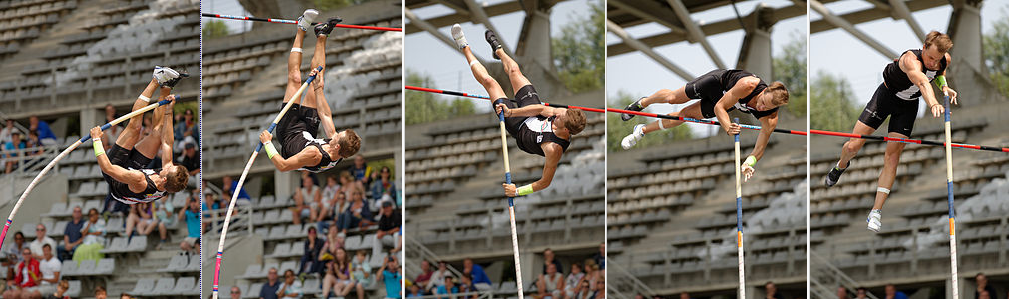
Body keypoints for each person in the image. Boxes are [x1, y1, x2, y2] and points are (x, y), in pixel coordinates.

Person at [823, 31, 957, 232]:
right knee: (853, 145)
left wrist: (944, 86)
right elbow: (921, 82)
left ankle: (876, 211)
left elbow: (938, 73)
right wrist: (934, 103)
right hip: (885, 99)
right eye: (929, 57)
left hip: (907, 107)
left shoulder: (942, 60)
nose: (932, 63)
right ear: (923, 47)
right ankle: (840, 167)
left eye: (936, 59)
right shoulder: (910, 60)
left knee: (893, 157)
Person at [450, 24, 587, 198]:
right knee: (514, 70)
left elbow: (545, 182)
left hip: (520, 128)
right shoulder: (563, 113)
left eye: (560, 117)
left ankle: (463, 45)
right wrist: (512, 111)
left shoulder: (554, 150)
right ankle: (498, 51)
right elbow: (540, 109)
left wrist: (517, 191)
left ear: (566, 130)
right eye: (561, 112)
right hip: (531, 114)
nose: (558, 113)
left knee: (489, 82)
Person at [618, 69, 789, 183]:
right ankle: (643, 102)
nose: (761, 108)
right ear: (764, 91)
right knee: (673, 99)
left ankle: (641, 130)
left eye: (767, 108)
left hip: (727, 101)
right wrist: (728, 126)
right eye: (762, 102)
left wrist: (748, 163)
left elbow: (759, 149)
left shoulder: (770, 118)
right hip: (716, 83)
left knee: (685, 116)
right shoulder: (748, 85)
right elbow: (719, 107)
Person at [258, 10, 361, 173]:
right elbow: (326, 115)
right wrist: (318, 87)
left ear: (336, 146)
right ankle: (322, 34)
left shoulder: (314, 154)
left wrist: (267, 143)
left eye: (337, 136)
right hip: (307, 133)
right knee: (318, 79)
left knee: (295, 79)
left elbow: (283, 166)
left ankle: (301, 28)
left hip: (289, 132)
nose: (334, 134)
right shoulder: (341, 149)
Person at [92, 67, 189, 205]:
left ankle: (156, 79)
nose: (168, 165)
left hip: (115, 175)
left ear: (165, 179)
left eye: (169, 168)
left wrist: (96, 139)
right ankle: (167, 85)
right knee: (156, 135)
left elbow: (107, 168)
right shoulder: (171, 183)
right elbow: (167, 142)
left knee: (135, 128)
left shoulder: (140, 180)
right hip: (134, 170)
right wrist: (169, 111)